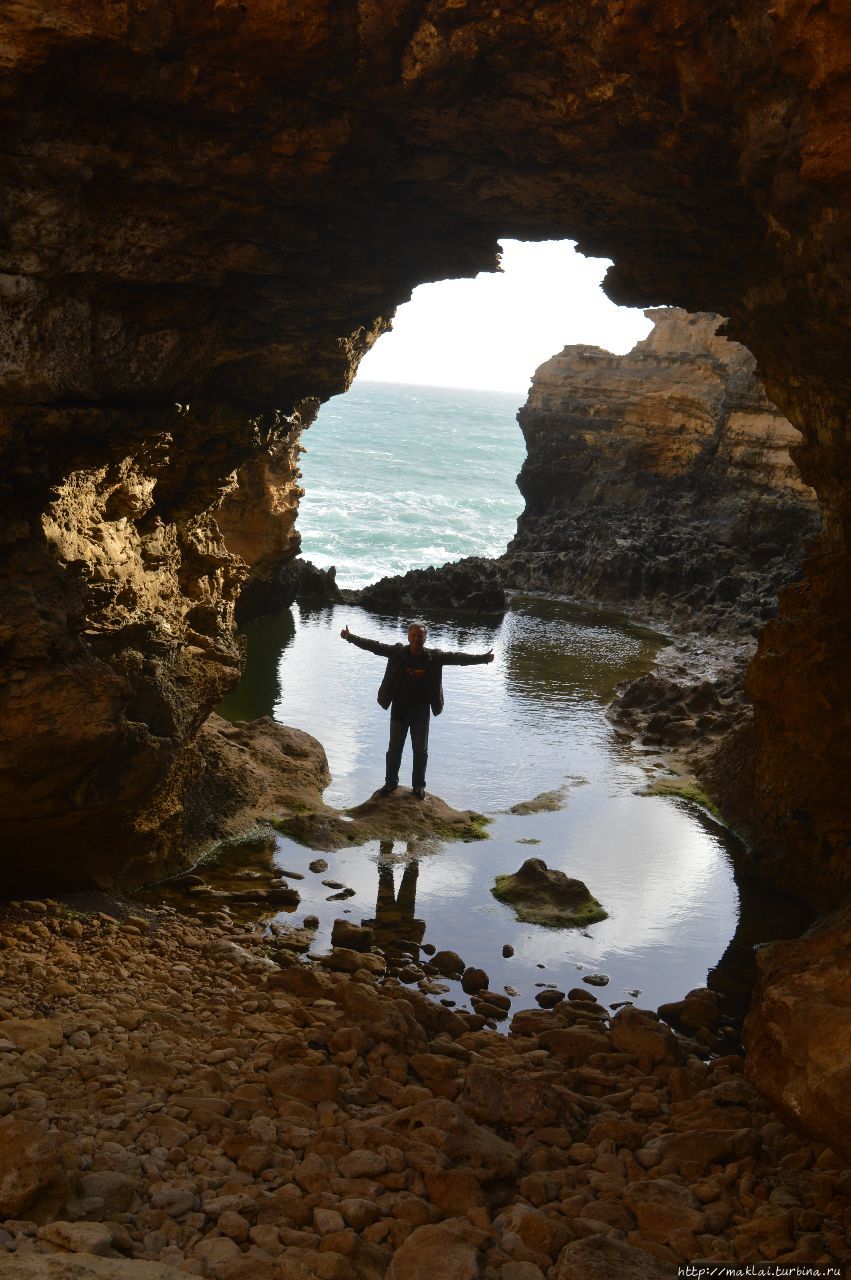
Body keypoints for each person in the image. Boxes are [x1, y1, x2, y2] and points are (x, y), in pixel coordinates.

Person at [340, 621, 495, 799]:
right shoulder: (397, 652)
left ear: (425, 638)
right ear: (408, 637)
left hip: (421, 712)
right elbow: (373, 646)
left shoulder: (434, 657)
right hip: (399, 709)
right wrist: (350, 637)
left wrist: (483, 658)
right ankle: (391, 783)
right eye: (413, 635)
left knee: (420, 751)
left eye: (420, 636)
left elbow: (458, 658)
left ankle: (418, 786)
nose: (416, 639)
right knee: (394, 749)